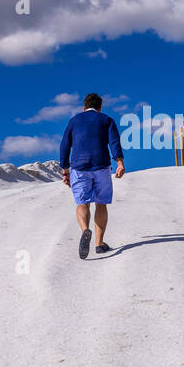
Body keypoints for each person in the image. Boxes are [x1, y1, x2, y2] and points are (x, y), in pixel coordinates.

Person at [60, 93, 125, 259]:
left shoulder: (74, 121)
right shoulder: (106, 120)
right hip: (101, 165)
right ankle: (99, 244)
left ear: (84, 107)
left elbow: (65, 145)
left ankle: (84, 230)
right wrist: (119, 163)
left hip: (79, 166)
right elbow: (114, 142)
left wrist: (65, 170)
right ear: (100, 107)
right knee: (101, 203)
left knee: (83, 203)